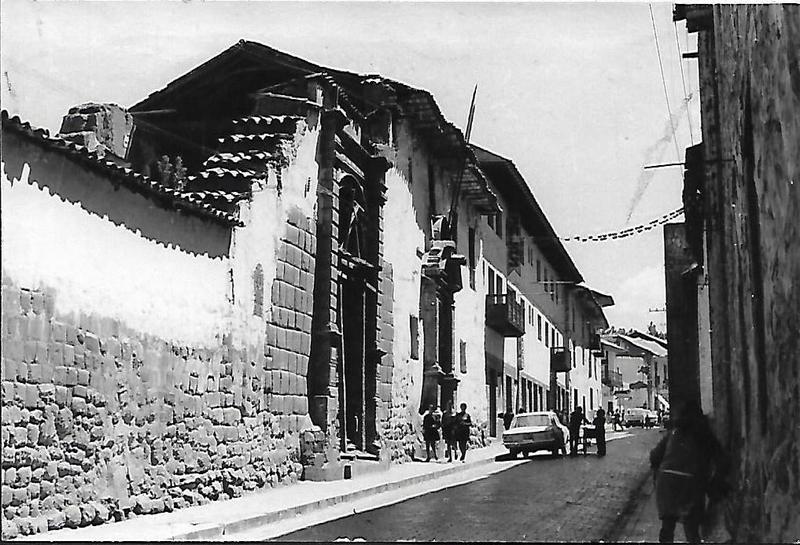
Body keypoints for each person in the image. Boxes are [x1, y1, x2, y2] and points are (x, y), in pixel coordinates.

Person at [649, 400, 729, 543]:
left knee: (668, 526)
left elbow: (655, 456)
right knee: (691, 528)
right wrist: (715, 483)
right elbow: (721, 458)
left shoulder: (674, 432)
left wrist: (658, 472)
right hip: (691, 482)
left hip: (666, 481)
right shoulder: (704, 433)